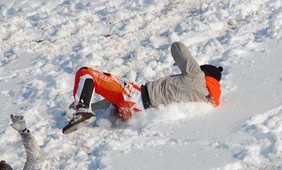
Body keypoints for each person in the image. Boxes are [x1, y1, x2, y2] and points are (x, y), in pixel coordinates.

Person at [63, 41, 223, 134]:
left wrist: (189, 66)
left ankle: (83, 109)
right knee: (116, 97)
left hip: (137, 96)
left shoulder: (196, 76)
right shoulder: (207, 99)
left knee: (86, 73)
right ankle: (90, 106)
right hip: (137, 112)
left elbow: (177, 47)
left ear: (205, 72)